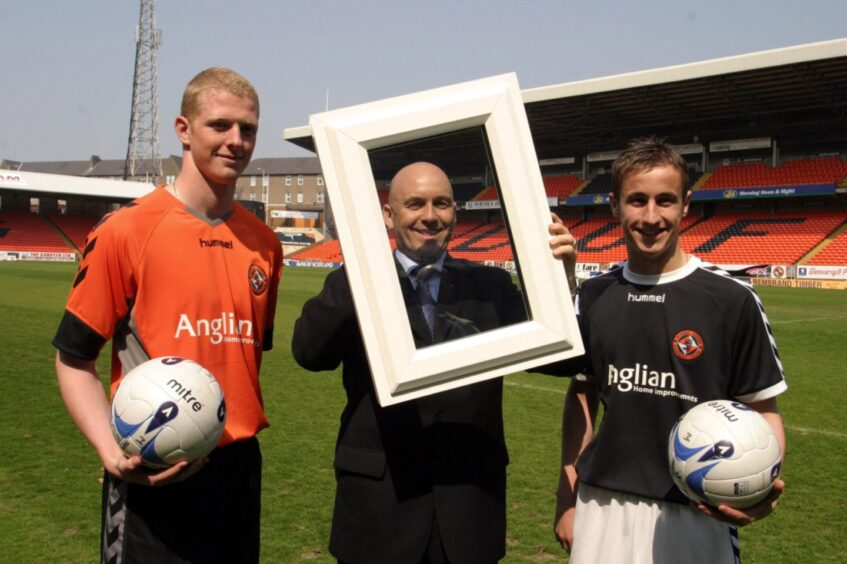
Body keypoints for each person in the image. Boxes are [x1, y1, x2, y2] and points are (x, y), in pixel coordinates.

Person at [52, 67, 282, 563]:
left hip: (238, 470)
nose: (235, 141)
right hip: (153, 467)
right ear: (183, 129)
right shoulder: (126, 231)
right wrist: (112, 454)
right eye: (219, 126)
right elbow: (73, 359)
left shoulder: (265, 244)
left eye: (248, 129)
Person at [293, 161, 566, 564]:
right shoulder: (357, 281)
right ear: (389, 215)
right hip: (380, 509)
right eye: (415, 204)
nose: (430, 216)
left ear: (455, 212)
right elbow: (309, 353)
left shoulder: (491, 287)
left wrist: (561, 279)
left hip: (468, 507)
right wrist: (360, 273)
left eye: (441, 204)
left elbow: (560, 360)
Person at [549, 137, 787, 563]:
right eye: (637, 200)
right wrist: (566, 495)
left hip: (697, 511)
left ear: (686, 205)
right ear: (614, 206)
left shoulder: (732, 299)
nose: (651, 216)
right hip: (602, 504)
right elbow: (582, 394)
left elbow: (763, 407)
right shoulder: (595, 295)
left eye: (666, 200)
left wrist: (758, 484)